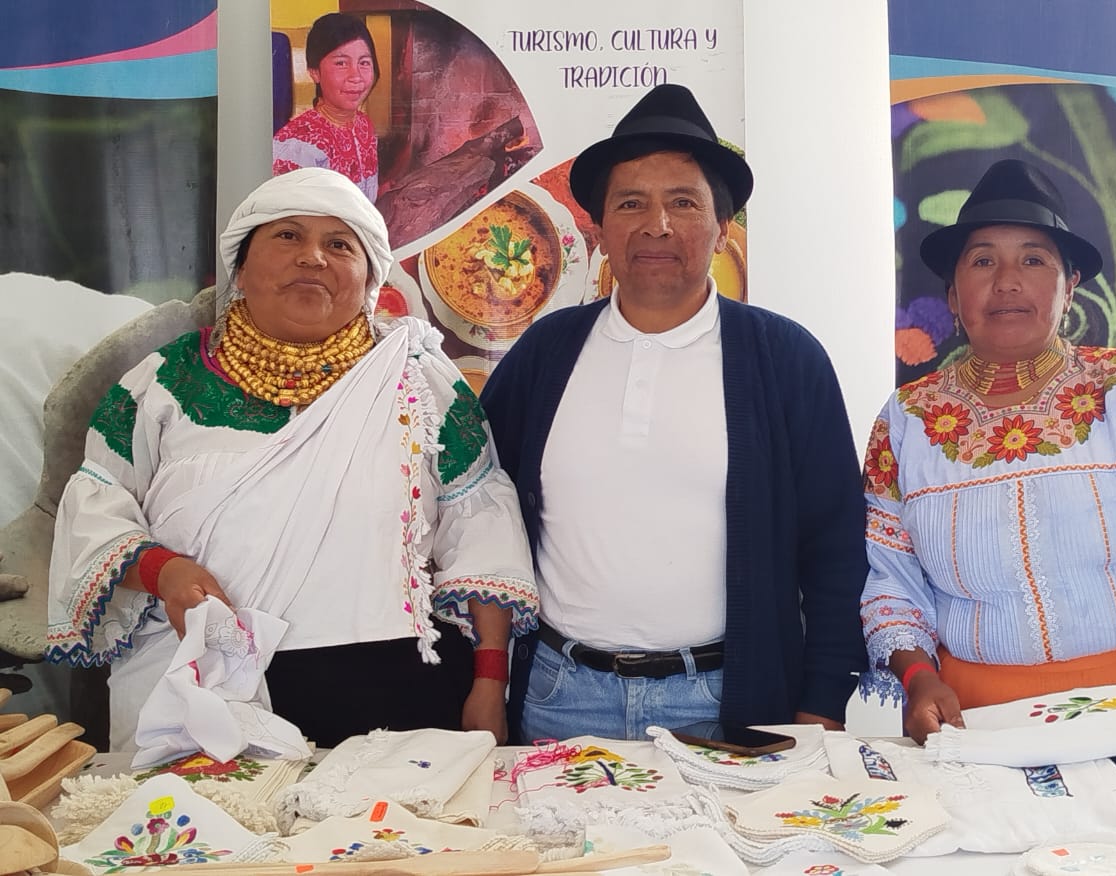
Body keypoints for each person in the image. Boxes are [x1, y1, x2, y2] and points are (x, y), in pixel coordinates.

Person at [47, 168, 537, 751]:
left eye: (340, 245)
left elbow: (481, 528)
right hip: (205, 679)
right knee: (208, 813)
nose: (312, 257)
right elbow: (96, 508)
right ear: (240, 269)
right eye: (287, 236)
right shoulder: (163, 382)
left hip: (396, 687)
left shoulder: (421, 380)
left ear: (370, 279)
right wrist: (164, 572)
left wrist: (490, 682)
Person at [481, 84, 869, 743]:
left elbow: (835, 546)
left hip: (723, 701)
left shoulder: (785, 359)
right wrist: (486, 681)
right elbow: (482, 516)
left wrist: (824, 704)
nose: (655, 225)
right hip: (557, 697)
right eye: (630, 203)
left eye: (683, 202)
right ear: (600, 230)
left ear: (722, 229)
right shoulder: (547, 352)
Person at [860, 158, 1116, 743]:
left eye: (1034, 260)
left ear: (1069, 287)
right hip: (981, 715)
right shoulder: (906, 420)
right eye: (982, 261)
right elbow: (892, 575)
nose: (1007, 280)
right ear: (953, 296)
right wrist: (918, 678)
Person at [273, 13, 380, 201]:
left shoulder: (364, 126)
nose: (356, 76)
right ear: (314, 72)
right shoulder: (296, 144)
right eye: (341, 63)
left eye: (364, 63)